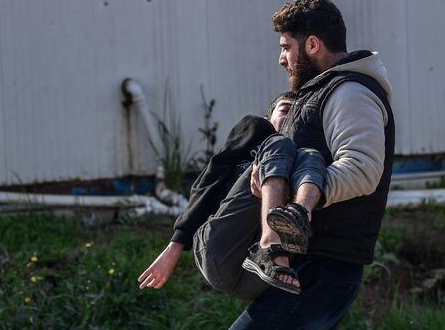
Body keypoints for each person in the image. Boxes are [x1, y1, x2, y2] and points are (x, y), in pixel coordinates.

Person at [207, 0, 395, 330]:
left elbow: (364, 169)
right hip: (318, 268)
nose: (282, 57)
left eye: (288, 46)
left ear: (313, 44)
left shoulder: (351, 92)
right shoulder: (322, 93)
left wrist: (298, 203)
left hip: (322, 268)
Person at [138, 91, 327, 297]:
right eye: (285, 110)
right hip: (219, 252)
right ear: (268, 117)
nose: (291, 118)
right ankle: (271, 244)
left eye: (297, 114)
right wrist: (174, 247)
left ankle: (296, 216)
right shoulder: (259, 131)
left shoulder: (302, 157)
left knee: (312, 156)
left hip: (260, 276)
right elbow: (208, 183)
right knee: (278, 143)